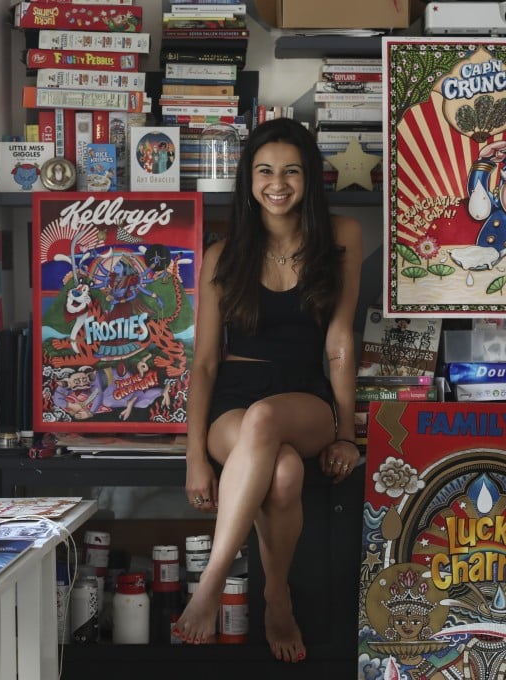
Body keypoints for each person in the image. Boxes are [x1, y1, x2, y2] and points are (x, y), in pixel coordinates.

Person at [172, 117, 363, 663]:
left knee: (265, 421)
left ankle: (211, 585)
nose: (277, 183)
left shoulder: (343, 236)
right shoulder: (221, 256)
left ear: (309, 179)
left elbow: (339, 342)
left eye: (290, 171)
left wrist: (346, 434)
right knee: (282, 471)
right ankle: (276, 596)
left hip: (302, 398)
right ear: (247, 179)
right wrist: (194, 459)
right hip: (235, 398)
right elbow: (205, 363)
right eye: (264, 171)